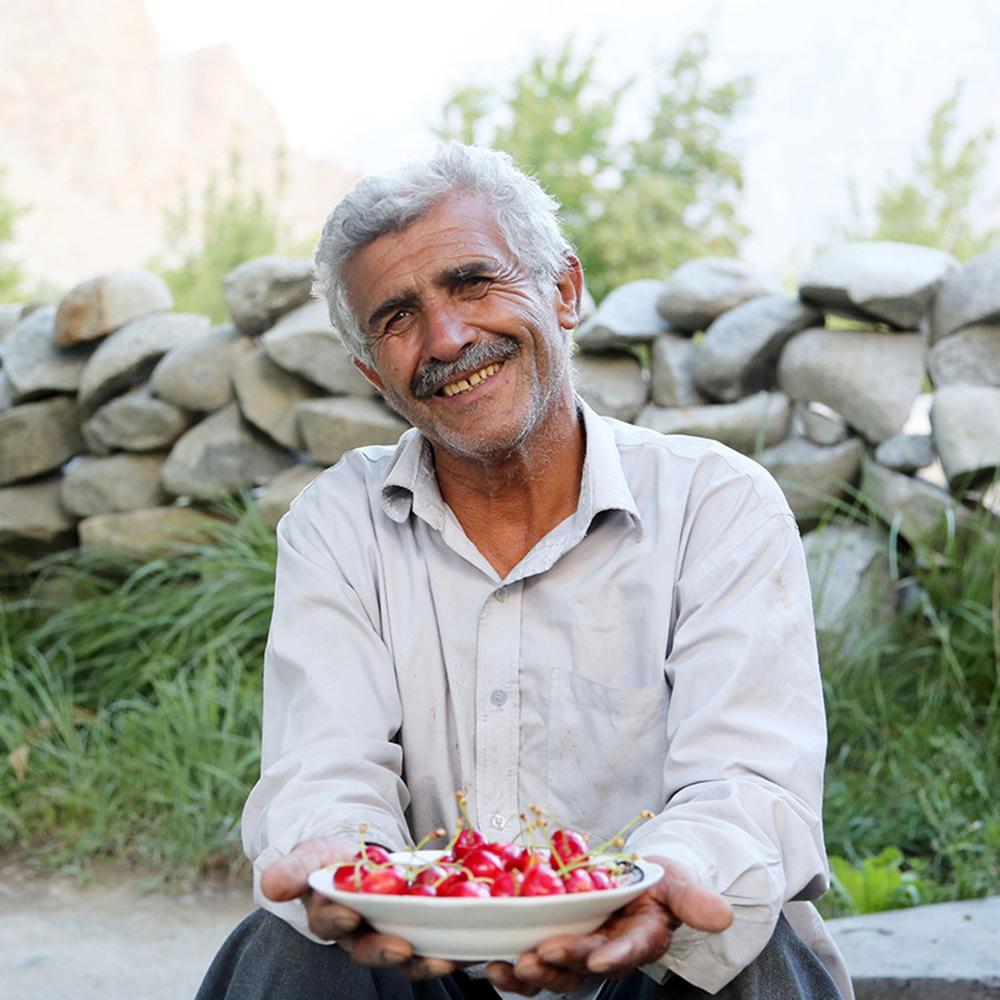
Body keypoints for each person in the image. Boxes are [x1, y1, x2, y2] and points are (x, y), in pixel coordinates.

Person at [197, 143, 852, 1000]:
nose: (447, 338)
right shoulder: (338, 524)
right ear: (372, 374)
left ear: (565, 290)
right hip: (421, 964)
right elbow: (325, 773)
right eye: (397, 318)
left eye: (473, 282)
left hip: (650, 964)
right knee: (287, 948)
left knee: (736, 935)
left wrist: (656, 889)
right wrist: (348, 868)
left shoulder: (715, 504)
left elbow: (749, 788)